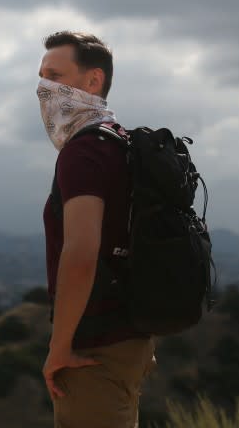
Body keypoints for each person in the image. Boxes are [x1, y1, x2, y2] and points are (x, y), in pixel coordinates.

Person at [37, 31, 156, 428]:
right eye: (41, 76)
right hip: (130, 339)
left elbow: (82, 252)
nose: (44, 88)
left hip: (93, 347)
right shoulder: (119, 143)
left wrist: (60, 347)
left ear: (94, 80)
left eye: (55, 75)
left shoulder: (85, 151)